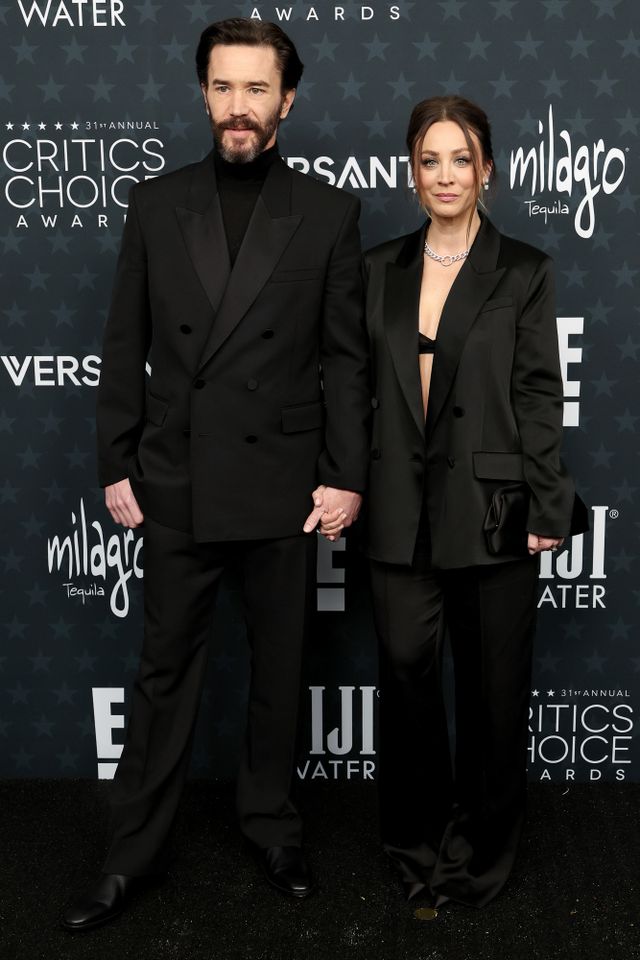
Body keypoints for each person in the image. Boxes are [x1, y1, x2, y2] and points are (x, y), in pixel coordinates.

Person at [62, 18, 369, 932]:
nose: (240, 106)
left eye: (257, 89)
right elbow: (124, 341)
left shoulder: (328, 212)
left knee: (280, 668)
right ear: (203, 94)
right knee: (164, 674)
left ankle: (271, 825)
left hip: (284, 482)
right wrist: (117, 460)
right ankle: (132, 854)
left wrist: (345, 473)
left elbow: (345, 359)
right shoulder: (158, 204)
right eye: (224, 87)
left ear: (288, 101)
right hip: (178, 477)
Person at [352, 95, 583, 909]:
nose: (445, 175)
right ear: (410, 174)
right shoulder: (376, 270)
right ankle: (416, 843)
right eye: (430, 160)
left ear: (488, 170)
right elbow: (350, 388)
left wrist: (548, 505)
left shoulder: (524, 270)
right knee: (406, 680)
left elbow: (538, 397)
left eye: (461, 159)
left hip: (494, 510)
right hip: (397, 509)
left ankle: (481, 856)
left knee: (492, 695)